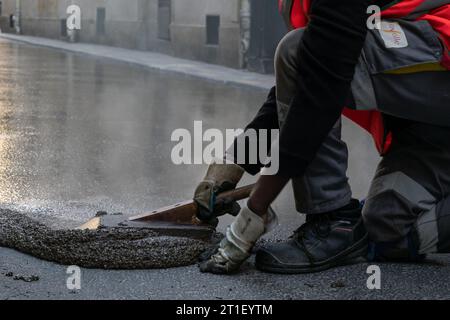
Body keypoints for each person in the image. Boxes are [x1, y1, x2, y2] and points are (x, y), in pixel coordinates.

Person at [194, 0, 450, 274]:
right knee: (386, 227)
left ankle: (332, 221)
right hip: (433, 128)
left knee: (295, 50)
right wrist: (233, 164)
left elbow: (318, 86)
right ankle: (340, 225)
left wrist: (253, 215)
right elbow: (306, 80)